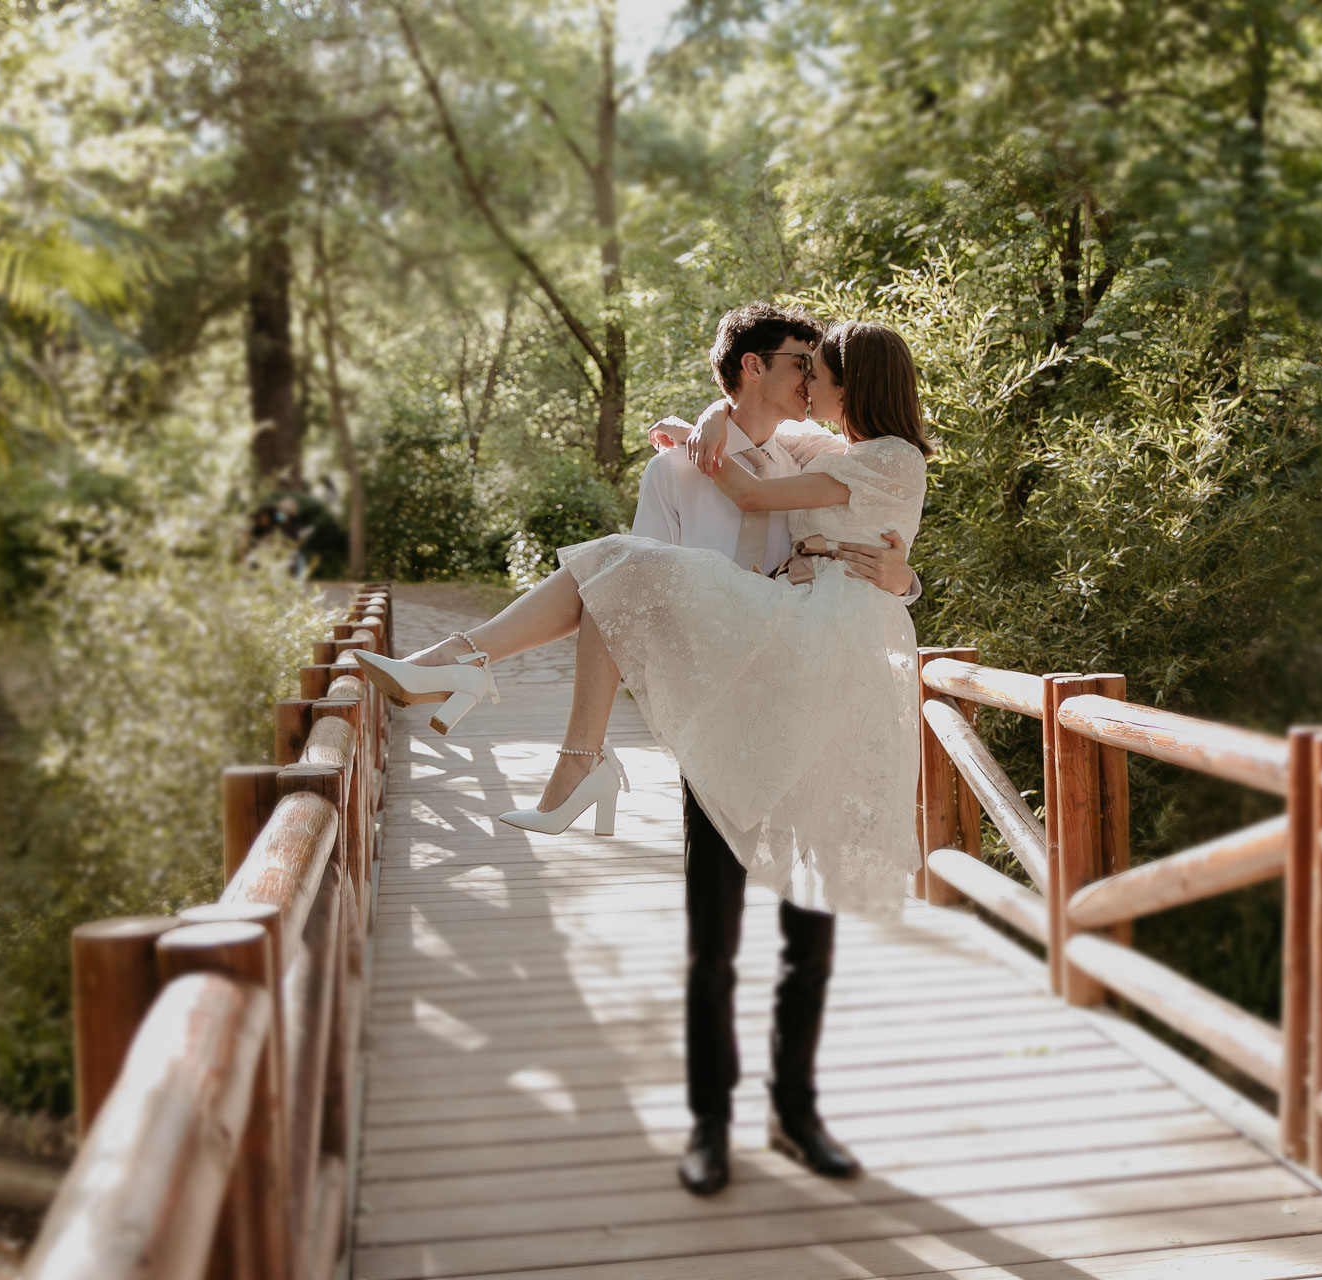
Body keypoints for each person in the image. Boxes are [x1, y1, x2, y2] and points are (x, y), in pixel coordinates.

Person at [352, 306, 932, 1196]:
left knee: (807, 926)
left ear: (844, 385)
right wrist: (703, 424)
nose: (808, 383)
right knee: (714, 928)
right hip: (728, 702)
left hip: (817, 691)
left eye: (819, 372)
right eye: (795, 367)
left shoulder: (817, 454)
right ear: (750, 372)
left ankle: (796, 1111)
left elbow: (880, 526)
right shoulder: (698, 465)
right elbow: (635, 599)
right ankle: (710, 1122)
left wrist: (908, 576)